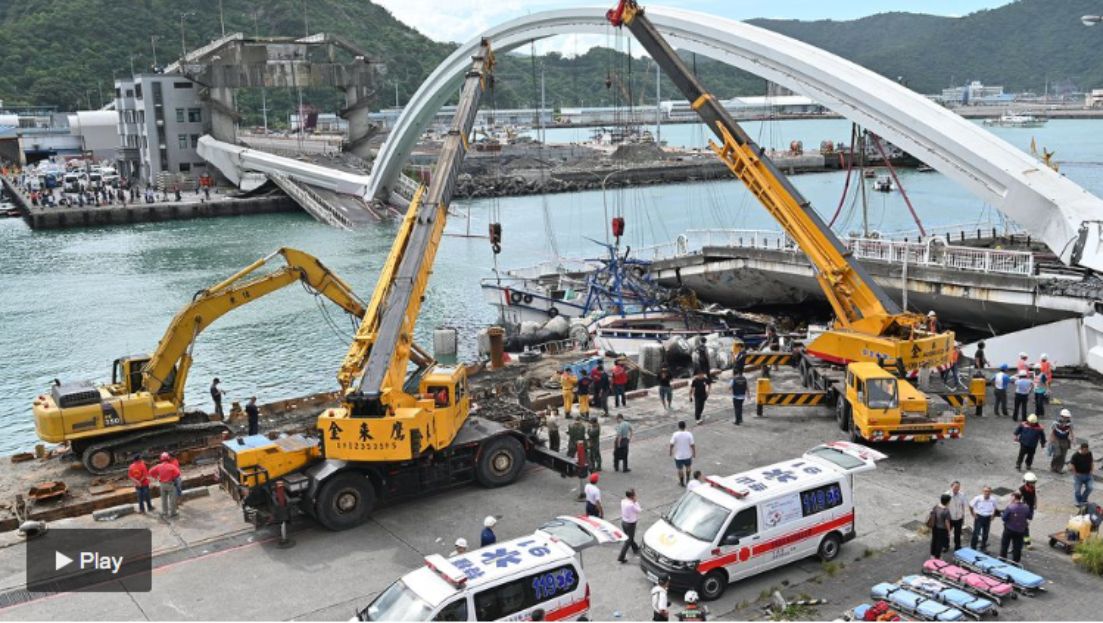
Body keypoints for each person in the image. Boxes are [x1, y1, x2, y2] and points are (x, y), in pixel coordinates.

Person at [999, 491, 1032, 563]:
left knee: (1005, 545)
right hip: (1020, 530)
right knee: (1017, 547)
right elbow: (1030, 516)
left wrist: (1002, 514)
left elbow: (1004, 518)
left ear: (1014, 497)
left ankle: (1002, 560)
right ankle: (1015, 562)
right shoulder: (1026, 507)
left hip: (1009, 529)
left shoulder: (1010, 507)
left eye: (1011, 497)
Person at [148, 454, 181, 518]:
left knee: (164, 499)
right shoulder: (171, 466)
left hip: (162, 484)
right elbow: (177, 474)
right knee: (172, 499)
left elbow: (150, 472)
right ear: (168, 459)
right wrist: (173, 477)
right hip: (170, 484)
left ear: (161, 459)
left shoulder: (158, 466)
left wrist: (156, 477)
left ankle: (164, 512)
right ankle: (173, 513)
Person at [969, 485, 998, 552]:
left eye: (988, 491)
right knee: (976, 533)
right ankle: (973, 547)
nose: (987, 493)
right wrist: (973, 514)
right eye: (985, 491)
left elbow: (995, 507)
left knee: (986, 533)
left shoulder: (993, 499)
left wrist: (993, 515)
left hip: (987, 518)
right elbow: (970, 506)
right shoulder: (977, 498)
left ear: (991, 492)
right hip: (979, 517)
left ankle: (983, 545)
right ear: (983, 492)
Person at [617, 489, 641, 563]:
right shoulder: (631, 505)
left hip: (624, 522)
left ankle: (635, 548)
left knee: (630, 537)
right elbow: (639, 510)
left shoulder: (623, 501)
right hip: (631, 523)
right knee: (628, 540)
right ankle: (621, 556)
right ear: (632, 496)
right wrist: (636, 502)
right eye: (634, 495)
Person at [670, 421, 696, 487]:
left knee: (680, 469)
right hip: (687, 455)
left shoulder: (675, 434)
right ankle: (687, 479)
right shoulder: (689, 434)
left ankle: (681, 482)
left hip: (678, 456)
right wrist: (694, 452)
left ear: (679, 426)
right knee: (688, 467)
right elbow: (692, 444)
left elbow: (671, 444)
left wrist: (670, 451)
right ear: (685, 426)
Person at [1070, 442, 1095, 507]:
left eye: (1087, 450)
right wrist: (1075, 473)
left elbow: (1091, 462)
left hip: (1088, 475)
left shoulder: (1089, 453)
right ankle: (1079, 501)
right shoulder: (1075, 455)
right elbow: (1072, 465)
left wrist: (1092, 470)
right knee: (1077, 490)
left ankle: (1083, 500)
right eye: (1084, 450)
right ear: (1081, 449)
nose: (1086, 451)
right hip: (1079, 476)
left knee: (1090, 487)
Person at [928, 493, 952, 559]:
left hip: (934, 527)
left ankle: (932, 555)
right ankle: (937, 556)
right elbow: (947, 522)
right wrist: (949, 531)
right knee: (939, 543)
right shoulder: (946, 510)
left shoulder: (936, 506)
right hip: (942, 529)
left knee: (934, 540)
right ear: (947, 501)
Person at [946, 481, 967, 551]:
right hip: (950, 518)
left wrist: (963, 517)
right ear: (951, 487)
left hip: (959, 518)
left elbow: (963, 506)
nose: (957, 489)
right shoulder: (947, 495)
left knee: (957, 534)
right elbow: (944, 507)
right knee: (946, 533)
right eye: (955, 487)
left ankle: (957, 546)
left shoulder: (962, 495)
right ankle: (946, 545)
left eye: (958, 487)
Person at [1019, 472, 1038, 546]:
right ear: (1026, 482)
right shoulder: (1021, 489)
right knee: (1025, 526)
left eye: (1034, 482)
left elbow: (1034, 496)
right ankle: (1027, 542)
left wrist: (1035, 504)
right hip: (1024, 510)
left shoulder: (1033, 488)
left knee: (1026, 524)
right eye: (1032, 482)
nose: (1033, 484)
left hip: (1030, 508)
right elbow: (1018, 500)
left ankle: (1023, 536)